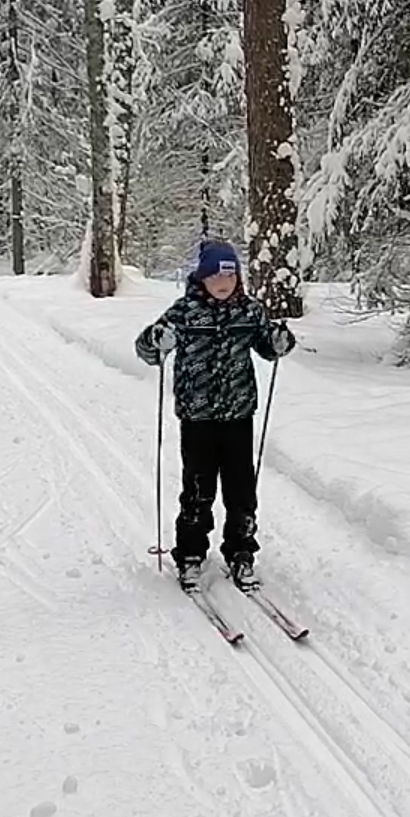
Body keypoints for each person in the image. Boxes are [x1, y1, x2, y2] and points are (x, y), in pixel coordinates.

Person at [134, 240, 298, 593]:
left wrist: (280, 340)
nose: (224, 286)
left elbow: (268, 347)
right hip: (198, 417)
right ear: (202, 279)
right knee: (198, 488)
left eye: (231, 279)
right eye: (216, 279)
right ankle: (191, 554)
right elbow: (147, 349)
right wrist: (155, 340)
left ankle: (241, 552)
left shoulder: (249, 311)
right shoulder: (185, 311)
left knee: (242, 491)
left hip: (239, 414)